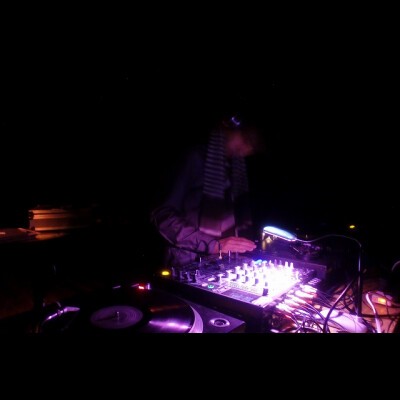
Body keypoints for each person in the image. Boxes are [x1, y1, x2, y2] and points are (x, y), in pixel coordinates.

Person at [150, 110, 265, 268]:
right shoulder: (194, 158)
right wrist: (212, 245)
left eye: (252, 147)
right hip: (188, 261)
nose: (247, 149)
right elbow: (163, 215)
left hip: (224, 262)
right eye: (246, 139)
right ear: (227, 129)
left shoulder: (236, 168)